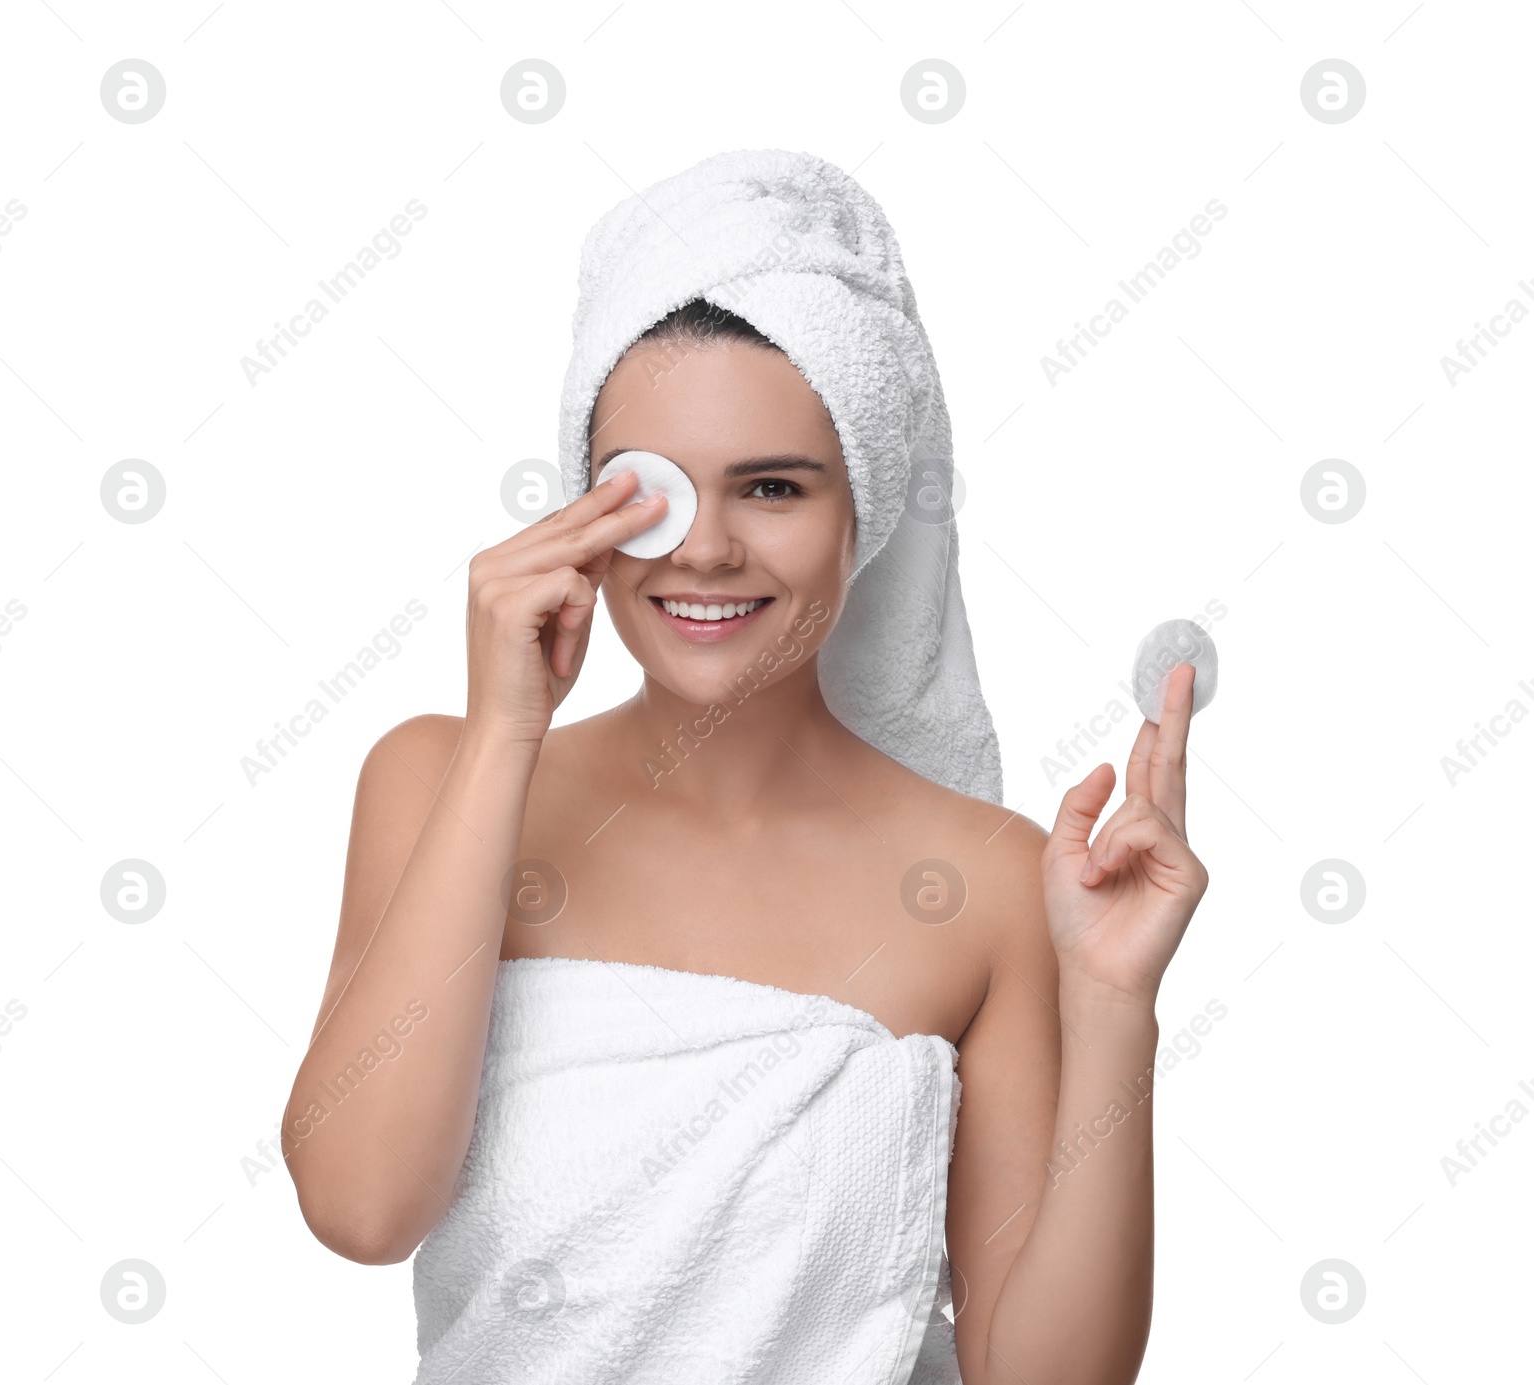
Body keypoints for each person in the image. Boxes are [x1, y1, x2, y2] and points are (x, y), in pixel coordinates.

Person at [283, 169, 1208, 1385]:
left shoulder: (985, 879)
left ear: (861, 508)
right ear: (583, 508)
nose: (707, 549)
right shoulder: (434, 779)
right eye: (650, 492)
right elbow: (362, 1208)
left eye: (772, 486)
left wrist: (1110, 1006)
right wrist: (505, 732)